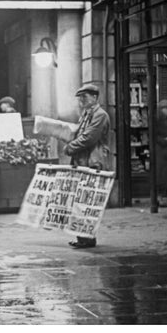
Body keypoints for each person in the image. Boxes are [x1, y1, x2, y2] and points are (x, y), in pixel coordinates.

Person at [63, 84, 110, 249]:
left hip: (92, 163)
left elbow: (89, 138)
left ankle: (88, 238)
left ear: (95, 98)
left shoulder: (100, 115)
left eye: (85, 97)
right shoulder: (86, 114)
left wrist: (70, 147)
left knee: (88, 203)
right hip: (82, 162)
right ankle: (83, 237)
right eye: (80, 97)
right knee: (80, 202)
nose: (82, 100)